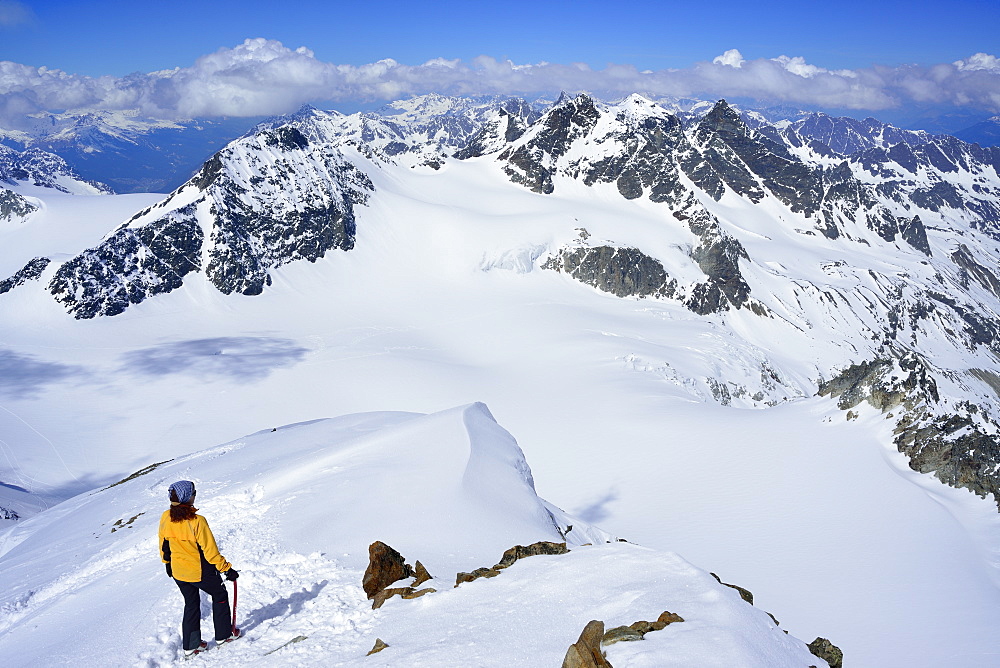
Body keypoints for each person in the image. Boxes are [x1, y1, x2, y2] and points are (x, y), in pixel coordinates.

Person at [158, 480, 241, 656]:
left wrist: (167, 563)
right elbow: (210, 551)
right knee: (219, 595)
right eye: (194, 492)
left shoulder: (166, 516)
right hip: (200, 572)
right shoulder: (197, 521)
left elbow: (163, 544)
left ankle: (191, 645)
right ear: (188, 497)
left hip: (178, 572)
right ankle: (224, 636)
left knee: (191, 603)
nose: (195, 495)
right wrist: (226, 569)